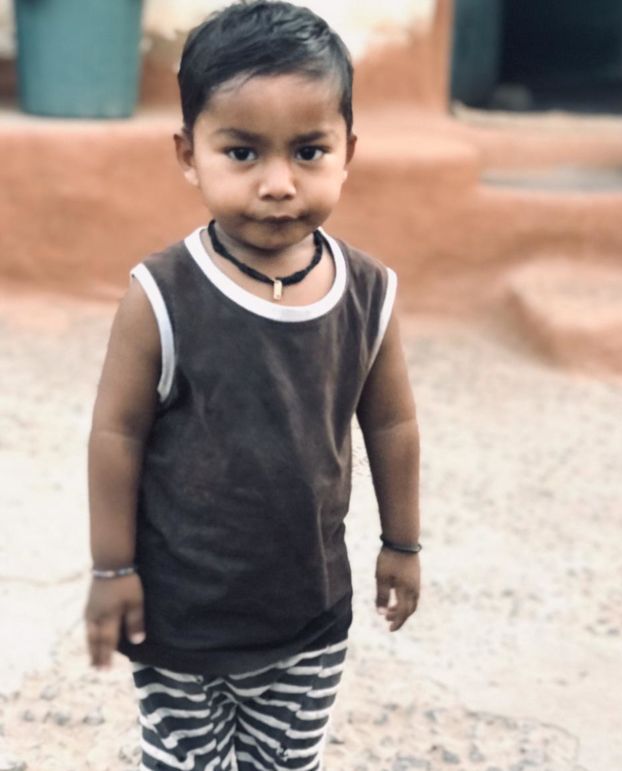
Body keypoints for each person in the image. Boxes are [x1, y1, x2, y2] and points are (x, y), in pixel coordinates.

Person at [84, 1, 421, 768]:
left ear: (347, 151)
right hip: (181, 617)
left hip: (309, 611)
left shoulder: (368, 293)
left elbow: (393, 424)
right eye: (241, 152)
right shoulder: (162, 295)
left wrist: (402, 542)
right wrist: (112, 568)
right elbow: (116, 433)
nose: (277, 183)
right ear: (188, 153)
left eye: (308, 151)